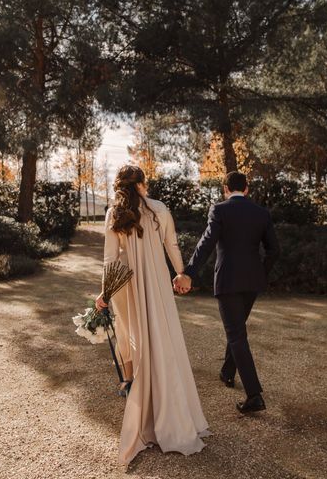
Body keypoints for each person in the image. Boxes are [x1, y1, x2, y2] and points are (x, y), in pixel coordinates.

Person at [95, 165, 210, 466]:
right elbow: (171, 245)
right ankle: (164, 405)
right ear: (143, 183)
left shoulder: (114, 214)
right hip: (157, 282)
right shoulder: (159, 209)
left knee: (134, 336)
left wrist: (105, 293)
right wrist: (181, 273)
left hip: (127, 284)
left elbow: (110, 259)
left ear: (120, 186)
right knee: (162, 335)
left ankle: (137, 391)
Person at [174, 171, 280, 414]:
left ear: (225, 188)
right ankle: (227, 372)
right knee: (238, 329)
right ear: (246, 189)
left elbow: (206, 243)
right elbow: (275, 250)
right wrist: (261, 273)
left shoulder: (219, 210)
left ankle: (254, 395)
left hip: (228, 280)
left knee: (236, 335)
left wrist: (189, 271)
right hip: (252, 282)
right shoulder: (261, 213)